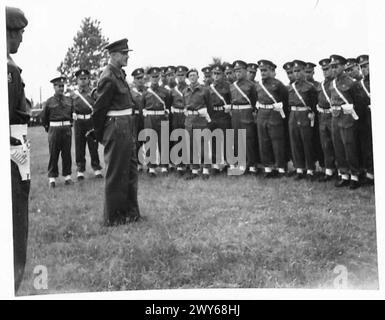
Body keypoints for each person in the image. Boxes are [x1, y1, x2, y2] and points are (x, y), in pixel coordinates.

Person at [92, 38, 141, 225]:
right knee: (116, 172)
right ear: (113, 55)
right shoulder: (108, 77)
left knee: (130, 170)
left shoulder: (119, 74)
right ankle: (113, 217)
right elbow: (99, 110)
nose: (127, 56)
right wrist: (102, 134)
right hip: (117, 126)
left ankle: (131, 213)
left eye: (127, 53)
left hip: (126, 124)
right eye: (124, 53)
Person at [7, 5, 29, 293]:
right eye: (18, 33)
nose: (21, 39)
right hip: (13, 151)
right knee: (15, 220)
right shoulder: (8, 70)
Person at [329, 54, 366, 189]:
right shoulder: (333, 83)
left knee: (349, 147)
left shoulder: (351, 83)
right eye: (331, 67)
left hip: (347, 117)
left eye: (336, 66)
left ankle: (355, 176)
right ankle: (344, 175)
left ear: (343, 66)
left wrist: (355, 117)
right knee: (338, 146)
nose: (333, 69)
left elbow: (360, 103)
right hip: (335, 117)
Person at [256, 60, 289, 178]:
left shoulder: (278, 84)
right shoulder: (258, 85)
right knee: (264, 142)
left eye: (265, 70)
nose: (263, 73)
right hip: (262, 114)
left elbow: (285, 100)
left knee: (277, 142)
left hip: (275, 114)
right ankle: (268, 168)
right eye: (261, 71)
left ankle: (280, 168)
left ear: (271, 71)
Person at [41, 76, 74, 187]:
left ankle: (67, 177)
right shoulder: (49, 102)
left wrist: (68, 126)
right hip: (54, 130)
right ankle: (52, 179)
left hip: (66, 130)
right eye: (59, 86)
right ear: (54, 87)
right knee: (53, 154)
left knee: (67, 154)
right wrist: (49, 129)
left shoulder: (69, 100)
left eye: (62, 86)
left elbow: (72, 116)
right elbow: (44, 119)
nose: (61, 88)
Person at [288, 60, 318, 180]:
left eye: (299, 71)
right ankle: (299, 169)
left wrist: (312, 115)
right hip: (293, 115)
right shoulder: (291, 87)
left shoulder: (310, 87)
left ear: (304, 71)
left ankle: (310, 170)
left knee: (307, 143)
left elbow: (314, 104)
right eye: (294, 71)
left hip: (305, 115)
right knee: (295, 143)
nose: (296, 74)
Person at [72, 69, 102, 180]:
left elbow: (99, 106)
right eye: (81, 79)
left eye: (85, 78)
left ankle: (97, 168)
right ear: (77, 80)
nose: (83, 81)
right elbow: (69, 107)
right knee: (79, 145)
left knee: (93, 146)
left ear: (88, 79)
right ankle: (80, 170)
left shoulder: (93, 93)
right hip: (79, 122)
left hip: (91, 121)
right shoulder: (73, 94)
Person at [229, 60, 258, 174]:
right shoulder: (232, 86)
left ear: (245, 71)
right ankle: (241, 163)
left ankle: (252, 164)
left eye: (239, 70)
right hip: (235, 113)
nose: (237, 73)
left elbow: (255, 101)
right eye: (235, 71)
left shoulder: (252, 85)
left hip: (247, 112)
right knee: (237, 138)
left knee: (249, 138)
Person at [183, 68, 213, 180]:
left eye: (194, 75)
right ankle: (194, 170)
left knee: (203, 146)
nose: (192, 77)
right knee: (191, 146)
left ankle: (205, 170)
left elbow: (209, 106)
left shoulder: (204, 90)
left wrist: (205, 116)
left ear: (198, 76)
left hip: (200, 120)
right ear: (188, 78)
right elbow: (184, 105)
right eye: (190, 75)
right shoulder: (185, 91)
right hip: (189, 121)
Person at [142, 67, 172, 176]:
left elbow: (168, 106)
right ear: (149, 78)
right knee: (150, 142)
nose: (154, 79)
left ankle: (164, 166)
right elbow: (142, 106)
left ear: (159, 77)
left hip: (162, 117)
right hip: (149, 118)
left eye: (156, 76)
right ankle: (151, 168)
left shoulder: (165, 91)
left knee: (163, 141)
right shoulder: (145, 93)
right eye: (152, 77)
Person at [208, 64, 232, 174]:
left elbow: (234, 100)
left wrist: (230, 106)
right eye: (214, 73)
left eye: (218, 73)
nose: (216, 76)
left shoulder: (229, 87)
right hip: (213, 115)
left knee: (227, 140)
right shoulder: (209, 87)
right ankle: (216, 165)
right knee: (214, 140)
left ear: (222, 74)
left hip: (224, 115)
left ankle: (228, 163)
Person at [316, 58, 336, 182]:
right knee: (326, 145)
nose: (325, 72)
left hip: (334, 116)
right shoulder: (321, 85)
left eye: (327, 69)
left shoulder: (335, 83)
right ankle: (329, 171)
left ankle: (341, 171)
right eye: (323, 70)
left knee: (337, 144)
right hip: (322, 117)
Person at [356, 54, 374, 185]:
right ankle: (370, 174)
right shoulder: (359, 85)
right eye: (361, 67)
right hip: (366, 118)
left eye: (366, 66)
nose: (364, 69)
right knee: (367, 146)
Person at [169, 65, 189, 175]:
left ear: (185, 76)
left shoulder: (189, 88)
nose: (180, 77)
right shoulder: (172, 90)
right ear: (175, 76)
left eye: (182, 75)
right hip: (176, 116)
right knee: (177, 139)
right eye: (178, 75)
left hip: (186, 115)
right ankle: (179, 165)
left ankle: (188, 164)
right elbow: (169, 104)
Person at [130, 68, 146, 171]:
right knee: (136, 141)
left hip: (146, 118)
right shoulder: (130, 92)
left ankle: (150, 165)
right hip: (135, 119)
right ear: (134, 80)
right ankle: (138, 164)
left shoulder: (148, 91)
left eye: (142, 78)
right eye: (138, 78)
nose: (140, 80)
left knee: (148, 140)